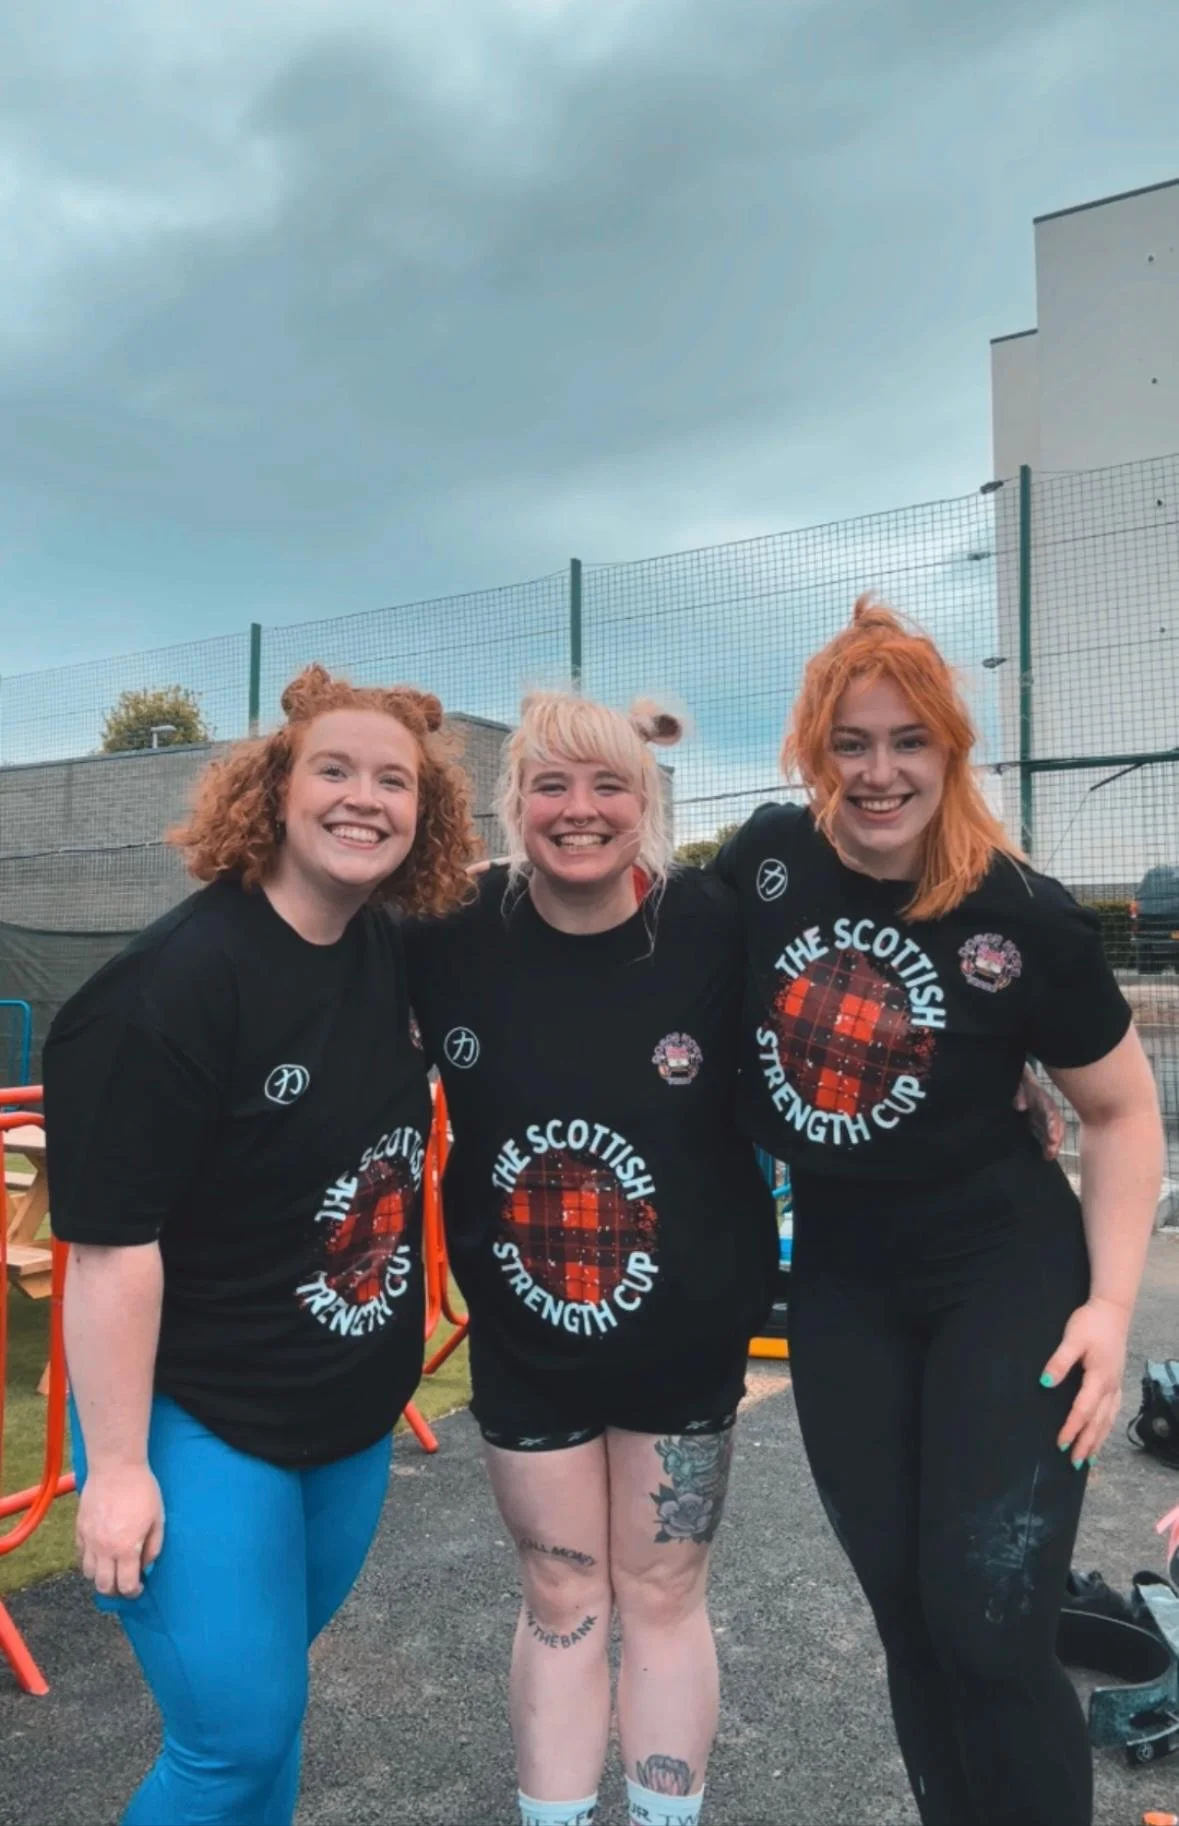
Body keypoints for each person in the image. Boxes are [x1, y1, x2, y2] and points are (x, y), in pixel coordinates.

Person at [712, 599, 1164, 1826]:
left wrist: (1113, 1310)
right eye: (850, 743)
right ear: (814, 753)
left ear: (950, 750)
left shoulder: (1016, 910)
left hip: (1002, 1274)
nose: (879, 771)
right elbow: (655, 978)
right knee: (910, 1617)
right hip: (846, 1284)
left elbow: (1122, 1113)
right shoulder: (764, 863)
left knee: (991, 1620)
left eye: (908, 740)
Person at [44, 665, 476, 1826]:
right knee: (228, 1741)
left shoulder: (400, 950)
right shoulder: (171, 988)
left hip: (342, 1422)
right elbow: (109, 1251)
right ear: (274, 787)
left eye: (395, 780)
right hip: (197, 1419)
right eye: (334, 768)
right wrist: (122, 1468)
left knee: (267, 1719)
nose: (364, 797)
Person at [403, 692, 778, 1826]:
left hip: (687, 1330)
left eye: (609, 783)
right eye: (550, 784)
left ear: (647, 802)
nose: (579, 809)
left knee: (661, 1591)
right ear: (511, 803)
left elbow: (877, 894)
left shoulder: (713, 921)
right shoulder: (447, 930)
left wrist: (1012, 1058)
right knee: (562, 1594)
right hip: (528, 1336)